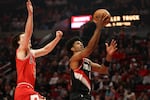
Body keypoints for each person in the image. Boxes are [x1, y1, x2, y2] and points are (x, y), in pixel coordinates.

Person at [12, 0, 63, 100]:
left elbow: (45, 50)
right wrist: (30, 14)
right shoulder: (21, 51)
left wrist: (57, 39)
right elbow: (28, 33)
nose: (28, 39)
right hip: (24, 89)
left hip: (28, 89)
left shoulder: (31, 53)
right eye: (24, 38)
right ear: (19, 42)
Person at [66, 13, 117, 100]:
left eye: (81, 43)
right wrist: (98, 28)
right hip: (78, 97)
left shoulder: (86, 61)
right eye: (78, 43)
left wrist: (109, 55)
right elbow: (89, 49)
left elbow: (103, 70)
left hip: (87, 96)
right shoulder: (74, 59)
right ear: (72, 49)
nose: (81, 44)